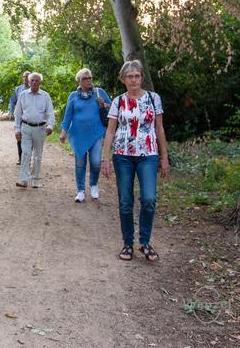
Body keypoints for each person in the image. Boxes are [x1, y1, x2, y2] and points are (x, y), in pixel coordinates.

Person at [100, 60, 169, 262]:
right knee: (125, 201)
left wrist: (164, 157)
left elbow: (159, 129)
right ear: (123, 79)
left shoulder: (153, 99)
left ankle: (145, 242)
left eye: (137, 76)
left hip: (148, 154)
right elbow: (110, 130)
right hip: (123, 155)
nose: (134, 79)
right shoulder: (118, 102)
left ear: (142, 77)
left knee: (148, 199)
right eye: (130, 76)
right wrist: (106, 158)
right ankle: (128, 244)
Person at [59, 68, 111, 202]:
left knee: (95, 162)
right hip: (79, 135)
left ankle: (94, 185)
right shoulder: (73, 96)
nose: (89, 81)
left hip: (96, 133)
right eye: (85, 79)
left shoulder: (99, 92)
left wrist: (103, 104)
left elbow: (112, 109)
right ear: (79, 81)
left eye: (90, 78)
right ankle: (80, 190)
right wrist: (64, 132)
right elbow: (68, 116)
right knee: (80, 163)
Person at [14, 72, 55, 188]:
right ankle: (23, 179)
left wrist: (50, 126)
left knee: (37, 155)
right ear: (28, 82)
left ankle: (35, 180)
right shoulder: (23, 95)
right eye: (32, 80)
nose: (34, 82)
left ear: (40, 83)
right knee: (26, 153)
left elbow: (51, 113)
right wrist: (17, 130)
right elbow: (18, 113)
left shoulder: (45, 96)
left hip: (40, 128)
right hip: (25, 127)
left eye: (37, 80)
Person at [8, 71, 30, 165]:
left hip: (30, 118)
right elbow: (12, 101)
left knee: (30, 138)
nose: (25, 78)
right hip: (20, 117)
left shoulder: (35, 88)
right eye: (24, 77)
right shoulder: (18, 89)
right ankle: (21, 158)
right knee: (19, 137)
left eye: (27, 77)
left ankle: (28, 158)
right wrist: (10, 112)